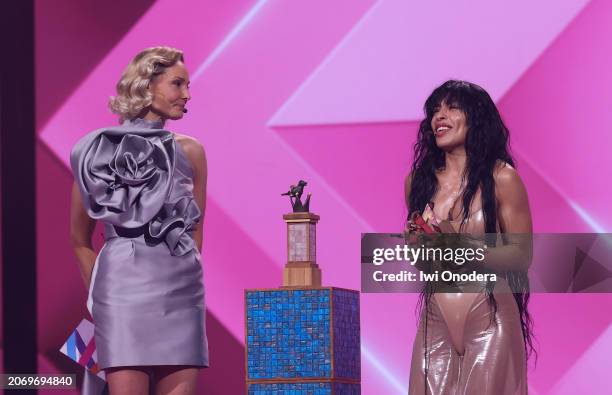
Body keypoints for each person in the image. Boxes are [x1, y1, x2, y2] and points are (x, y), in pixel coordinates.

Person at [70, 46, 208, 395]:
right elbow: (79, 238)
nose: (187, 95)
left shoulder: (192, 151)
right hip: (121, 291)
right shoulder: (96, 151)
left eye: (188, 85)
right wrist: (99, 295)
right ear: (147, 84)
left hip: (182, 292)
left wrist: (190, 278)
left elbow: (195, 230)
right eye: (178, 84)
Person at [405, 80, 534, 394]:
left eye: (451, 107)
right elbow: (426, 264)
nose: (440, 116)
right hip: (436, 317)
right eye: (435, 110)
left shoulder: (502, 178)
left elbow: (520, 256)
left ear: (476, 117)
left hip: (490, 316)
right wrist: (418, 247)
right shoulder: (417, 183)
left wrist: (460, 247)